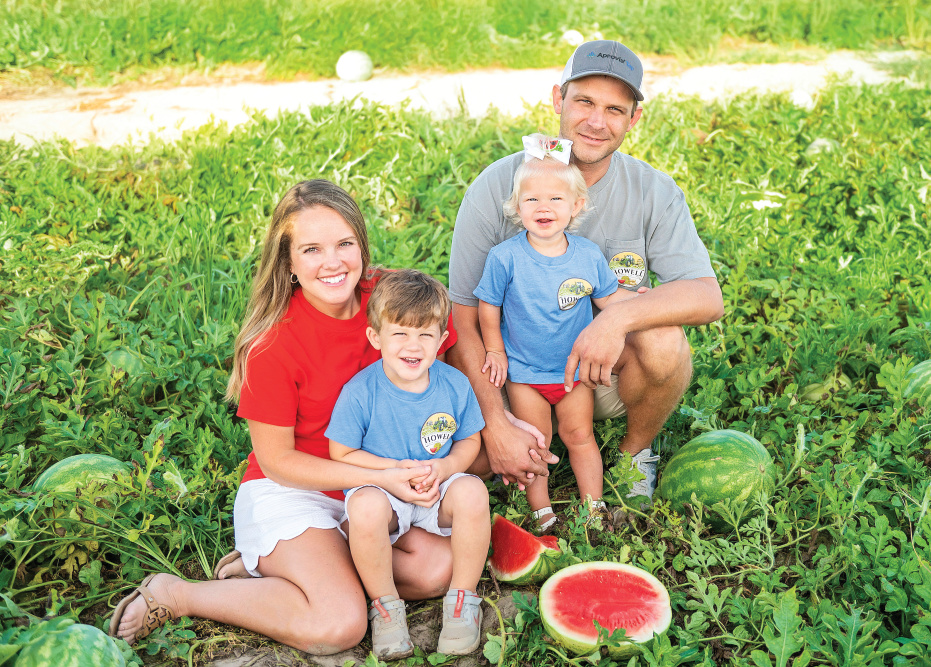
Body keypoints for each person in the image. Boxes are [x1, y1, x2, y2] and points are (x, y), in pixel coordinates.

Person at [109, 180, 456, 655]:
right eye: (312, 249)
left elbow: (450, 375)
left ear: (362, 245)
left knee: (437, 570)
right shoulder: (273, 344)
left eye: (344, 244)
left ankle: (289, 567)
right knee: (339, 624)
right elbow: (279, 462)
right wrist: (387, 475)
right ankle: (182, 594)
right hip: (298, 491)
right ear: (288, 262)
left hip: (378, 490)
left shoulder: (394, 300)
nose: (333, 263)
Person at [447, 40, 725, 504]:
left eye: (615, 109)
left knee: (663, 339)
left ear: (634, 119)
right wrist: (494, 423)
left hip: (598, 378)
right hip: (515, 378)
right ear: (558, 99)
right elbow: (463, 316)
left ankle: (633, 454)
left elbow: (707, 296)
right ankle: (517, 440)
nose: (597, 122)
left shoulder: (653, 190)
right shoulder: (500, 184)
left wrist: (616, 319)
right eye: (585, 102)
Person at [328, 269, 489, 660]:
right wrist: (391, 472)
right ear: (375, 337)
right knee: (365, 507)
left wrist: (447, 468)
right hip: (384, 489)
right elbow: (341, 452)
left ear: (441, 341)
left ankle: (462, 601)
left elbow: (469, 439)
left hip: (437, 488)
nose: (412, 345)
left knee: (473, 491)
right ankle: (385, 606)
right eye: (399, 333)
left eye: (425, 334)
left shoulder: (454, 384)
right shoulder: (360, 391)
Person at [474, 134, 627, 532]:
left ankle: (594, 508)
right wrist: (495, 350)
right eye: (532, 200)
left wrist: (635, 307)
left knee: (580, 435)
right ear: (516, 207)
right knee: (537, 440)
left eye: (556, 199)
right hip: (525, 373)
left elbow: (610, 302)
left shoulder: (588, 256)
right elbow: (488, 306)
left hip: (571, 373)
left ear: (576, 206)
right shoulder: (504, 257)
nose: (544, 207)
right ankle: (543, 514)